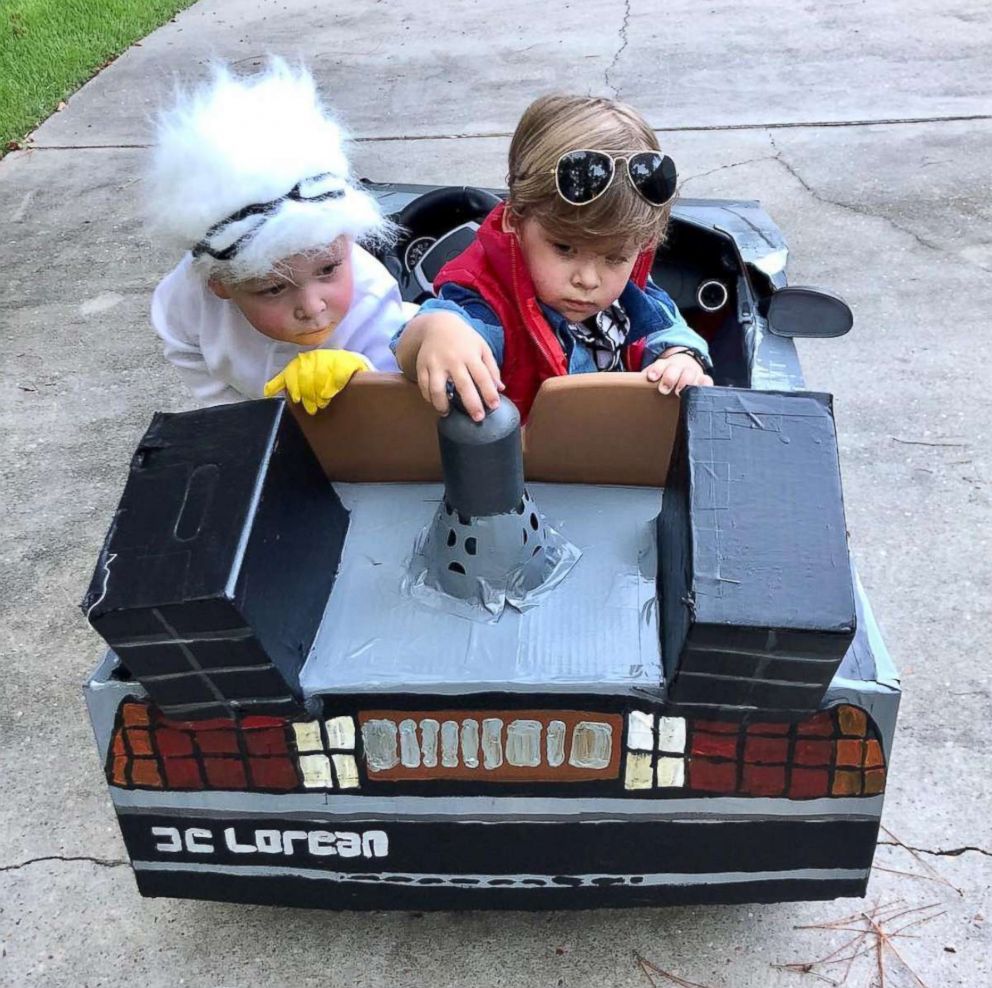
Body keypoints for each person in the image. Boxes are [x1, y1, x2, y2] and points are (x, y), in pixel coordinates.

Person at [394, 94, 714, 422]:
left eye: (615, 257)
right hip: (525, 465)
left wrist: (682, 359)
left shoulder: (629, 283)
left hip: (615, 449)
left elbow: (663, 323)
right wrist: (437, 330)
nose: (588, 279)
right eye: (565, 249)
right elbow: (421, 340)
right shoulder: (487, 303)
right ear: (514, 219)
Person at [147, 59, 406, 414]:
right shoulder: (186, 302)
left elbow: (398, 400)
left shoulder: (371, 294)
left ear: (346, 241)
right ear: (219, 284)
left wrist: (363, 378)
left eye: (328, 270)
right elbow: (186, 349)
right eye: (273, 288)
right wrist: (244, 422)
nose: (312, 306)